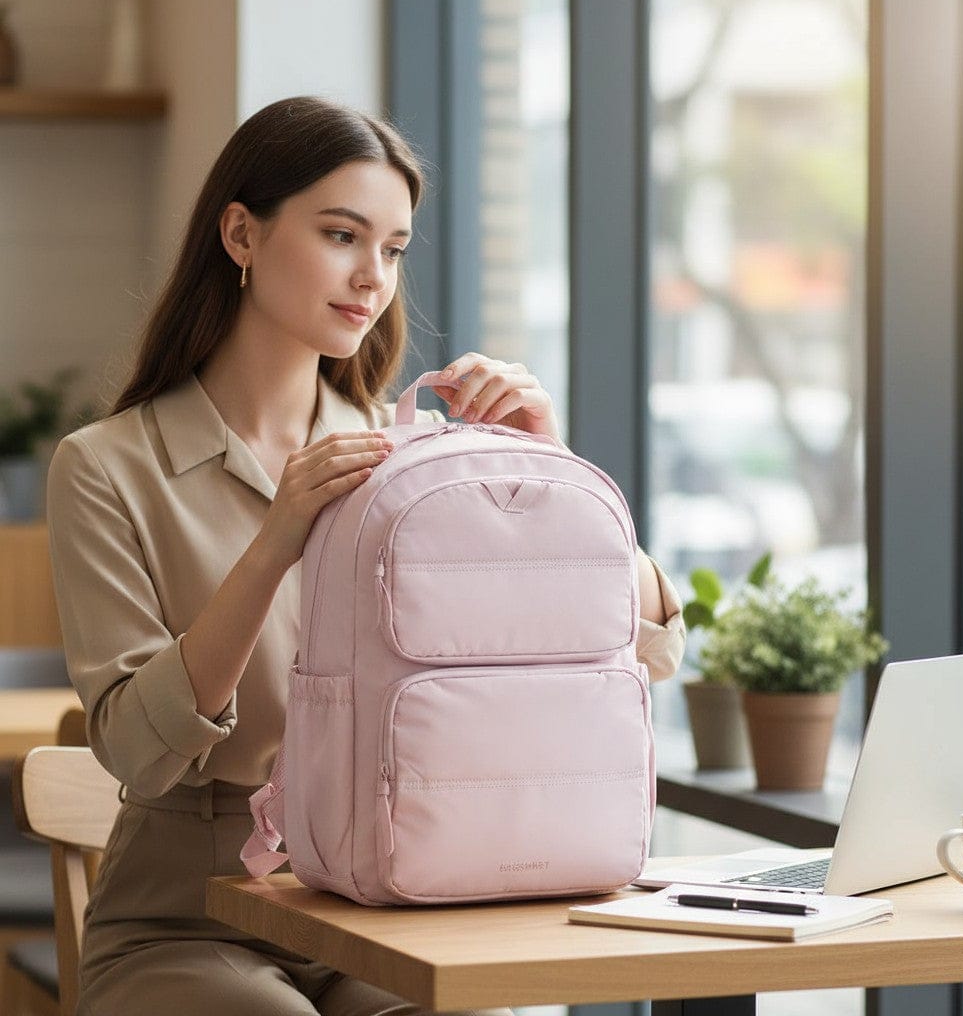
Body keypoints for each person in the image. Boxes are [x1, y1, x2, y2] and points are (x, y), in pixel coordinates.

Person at [46, 96, 686, 1016]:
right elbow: (136, 750)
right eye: (342, 235)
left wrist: (547, 477)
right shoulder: (106, 467)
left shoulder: (412, 462)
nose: (372, 278)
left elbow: (652, 651)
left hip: (387, 907)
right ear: (241, 234)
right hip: (184, 924)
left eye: (392, 249)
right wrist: (274, 545)